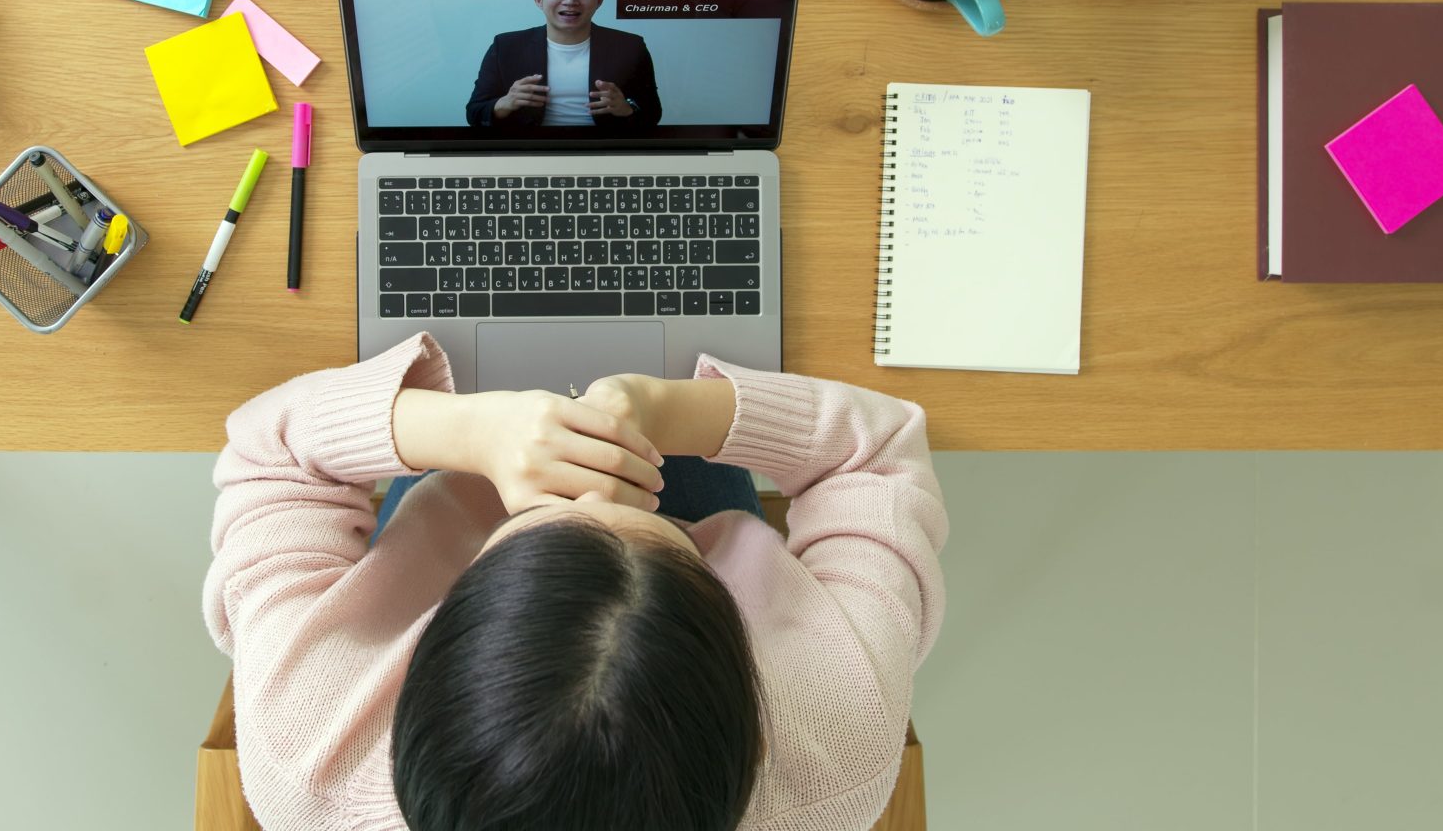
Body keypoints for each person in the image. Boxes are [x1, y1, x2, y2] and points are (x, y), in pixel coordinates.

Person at [203, 333, 947, 830]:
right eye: (643, 527)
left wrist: (469, 435)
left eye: (536, 527)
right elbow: (876, 453)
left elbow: (269, 452)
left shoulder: (308, 745)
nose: (588, 490)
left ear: (441, 640)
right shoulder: (834, 741)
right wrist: (668, 413)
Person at [464, 0, 663, 131]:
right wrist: (504, 103)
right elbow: (474, 114)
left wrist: (626, 109)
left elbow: (653, 114)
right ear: (539, 0)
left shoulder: (630, 46)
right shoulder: (506, 46)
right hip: (528, 150)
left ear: (599, 0)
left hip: (606, 149)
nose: (570, 0)